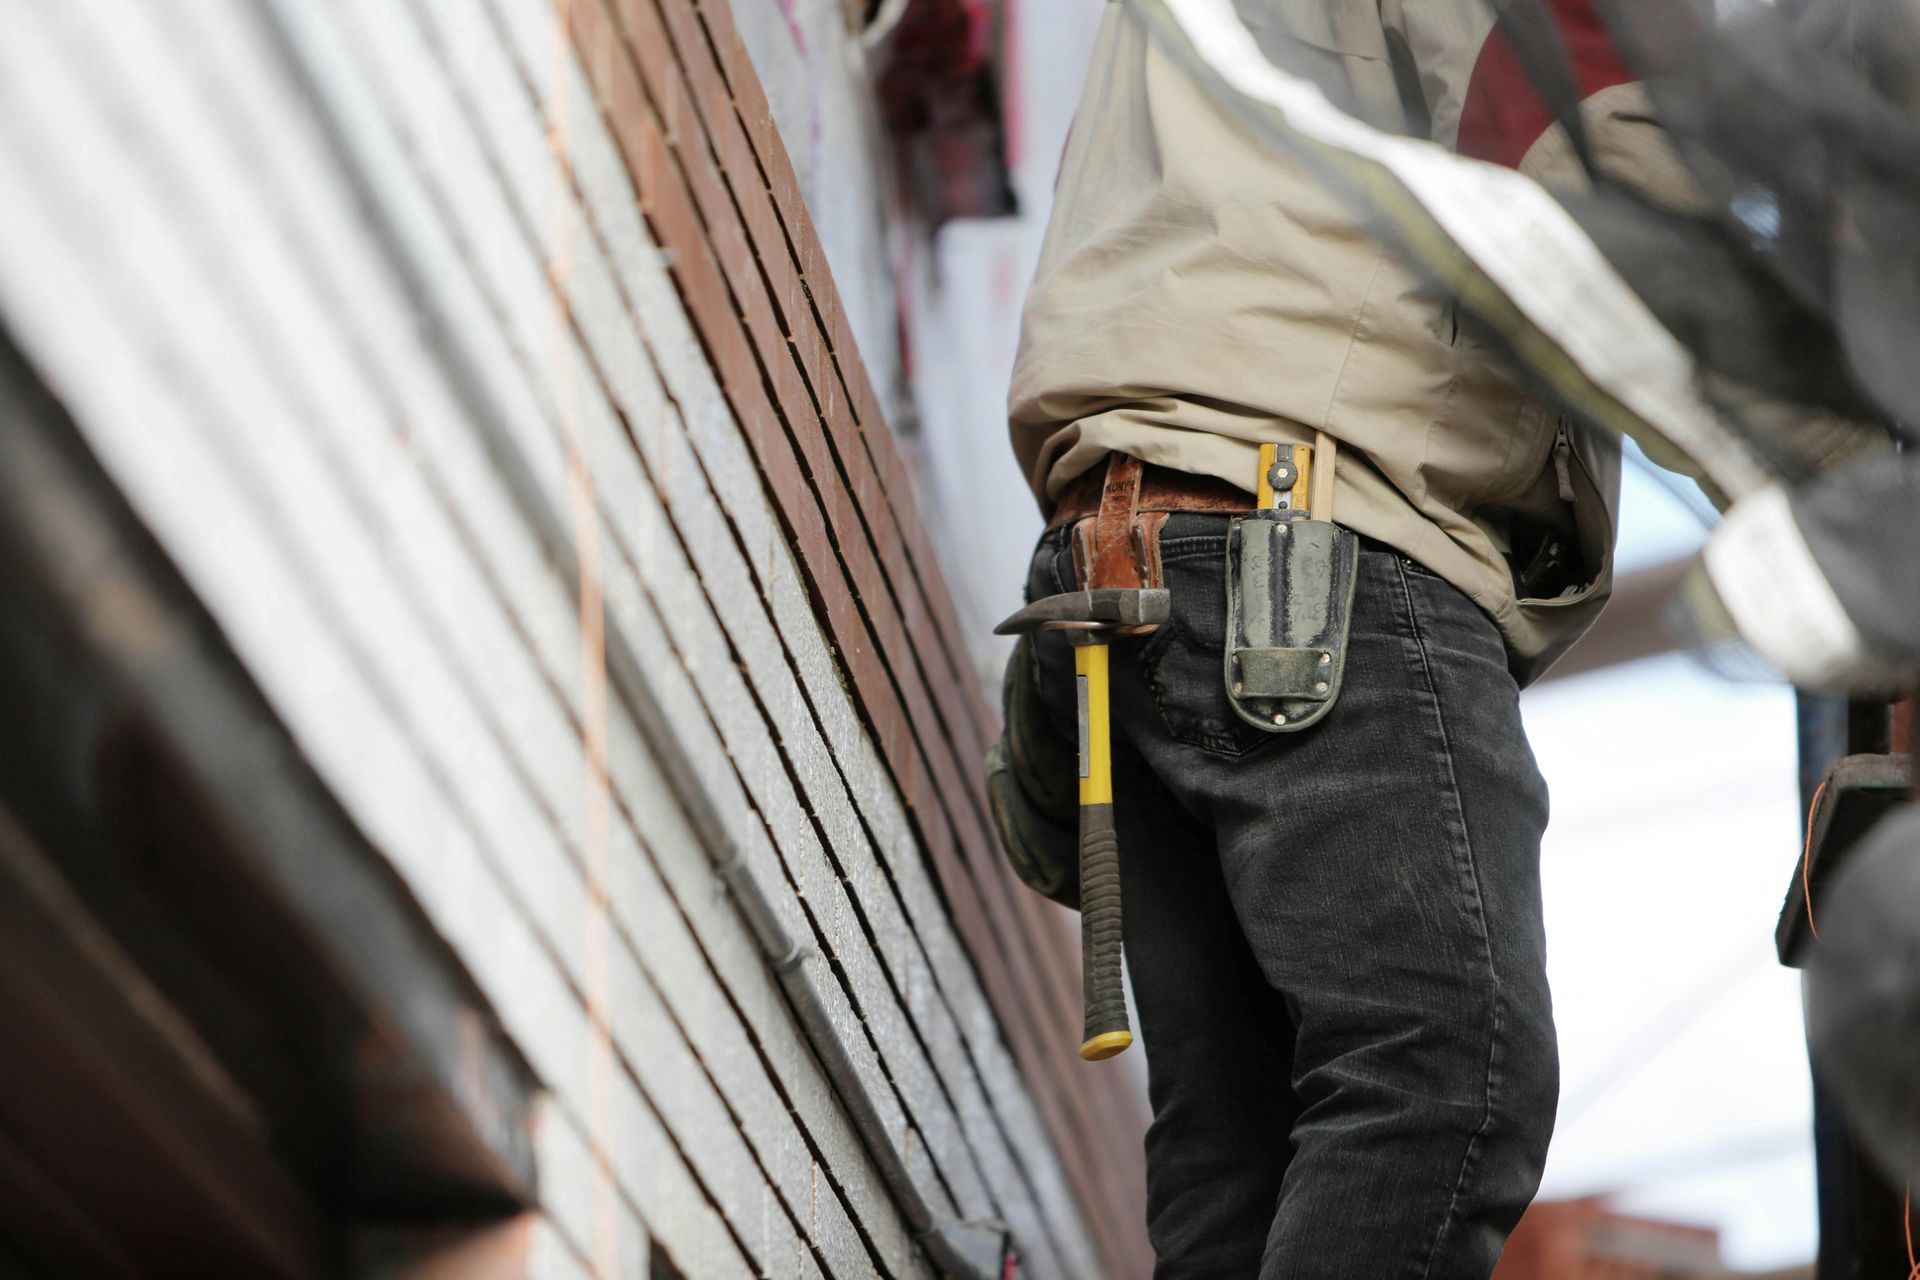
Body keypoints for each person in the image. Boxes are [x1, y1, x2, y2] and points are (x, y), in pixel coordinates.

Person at [996, 1, 1699, 1274]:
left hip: (1136, 542)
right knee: (1446, 1076)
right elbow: (1597, 167)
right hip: (1308, 542)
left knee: (1242, 1153)